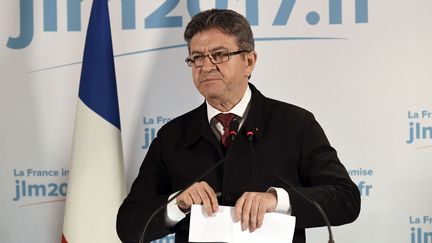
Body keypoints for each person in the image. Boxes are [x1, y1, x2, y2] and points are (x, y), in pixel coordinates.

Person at [117, 9, 360, 243]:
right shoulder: (173, 136)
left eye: (220, 54)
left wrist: (277, 200)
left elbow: (346, 199)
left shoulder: (296, 124)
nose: (207, 66)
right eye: (197, 57)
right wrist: (177, 204)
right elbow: (128, 225)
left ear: (249, 61)